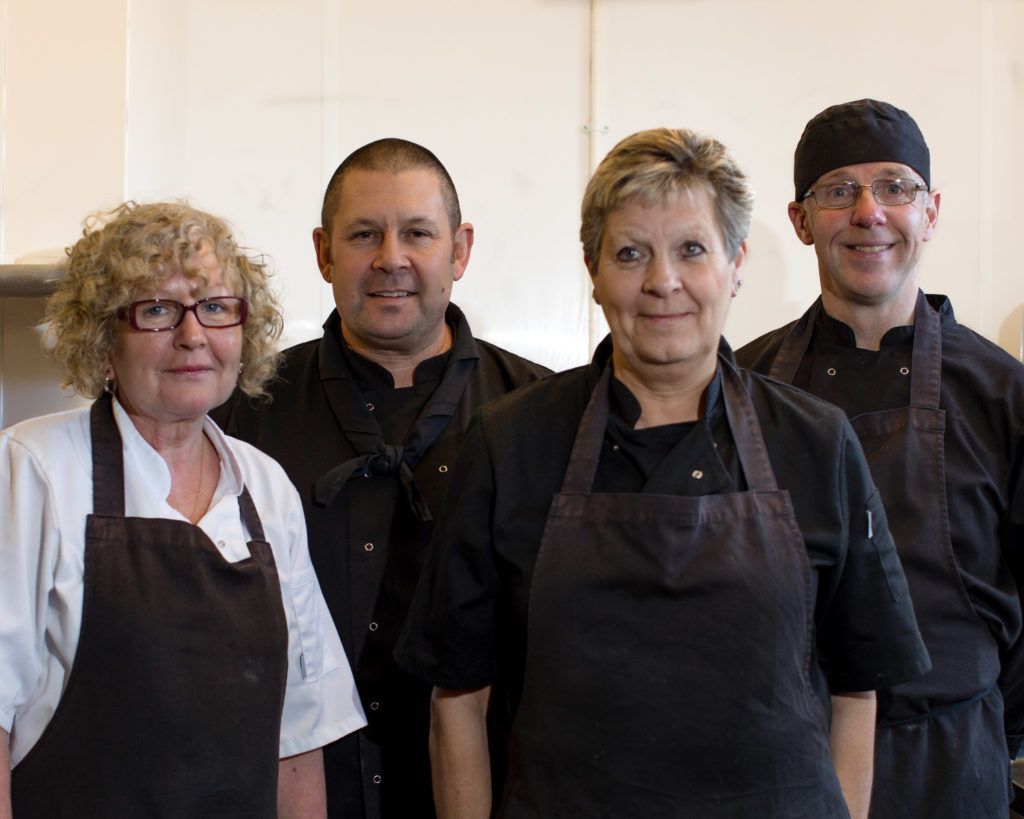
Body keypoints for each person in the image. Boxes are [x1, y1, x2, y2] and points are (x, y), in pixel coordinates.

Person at [395, 127, 930, 818]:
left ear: (735, 263)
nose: (662, 281)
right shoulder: (511, 443)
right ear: (592, 271)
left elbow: (859, 688)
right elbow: (458, 697)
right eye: (630, 253)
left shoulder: (817, 442)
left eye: (692, 249)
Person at [212, 138, 549, 819]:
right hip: (294, 792)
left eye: (417, 233)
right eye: (364, 234)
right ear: (323, 252)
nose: (391, 258)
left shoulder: (539, 415)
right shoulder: (241, 413)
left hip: (492, 792)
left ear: (460, 250)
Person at [0, 201, 366, 819]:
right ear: (103, 339)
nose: (193, 335)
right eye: (157, 310)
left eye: (215, 307)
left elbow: (300, 735)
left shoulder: (265, 487)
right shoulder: (33, 468)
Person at [736, 98, 1024, 818]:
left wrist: (986, 723)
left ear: (931, 211)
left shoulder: (1003, 393)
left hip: (953, 761)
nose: (869, 212)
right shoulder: (743, 388)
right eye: (839, 191)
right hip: (786, 762)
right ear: (801, 220)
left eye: (895, 186)